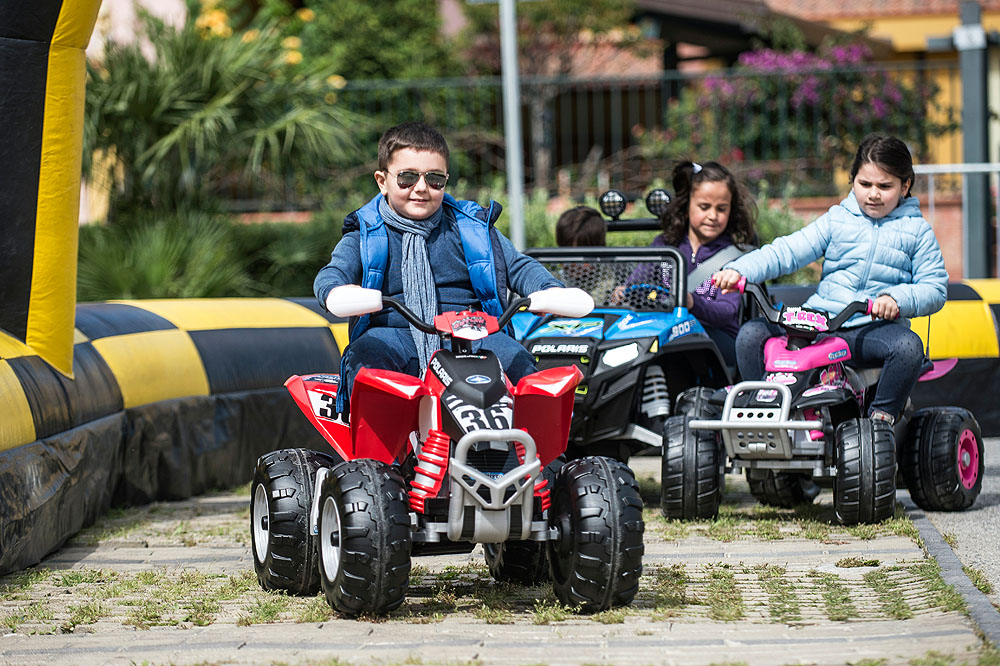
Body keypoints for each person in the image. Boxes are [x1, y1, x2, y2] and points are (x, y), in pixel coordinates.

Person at [314, 121, 565, 414]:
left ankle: (537, 454)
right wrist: (335, 291)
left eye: (434, 179)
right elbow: (333, 273)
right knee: (366, 360)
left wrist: (549, 289)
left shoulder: (471, 229)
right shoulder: (365, 234)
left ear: (446, 180)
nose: (421, 188)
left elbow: (519, 266)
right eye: (407, 177)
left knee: (521, 365)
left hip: (473, 334)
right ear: (382, 181)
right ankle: (376, 456)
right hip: (394, 332)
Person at [714, 133, 948, 425]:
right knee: (751, 335)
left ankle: (880, 421)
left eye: (884, 186)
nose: (873, 194)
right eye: (865, 184)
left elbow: (934, 288)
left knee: (908, 348)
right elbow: (786, 251)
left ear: (905, 185)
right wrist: (740, 270)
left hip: (871, 330)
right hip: (822, 322)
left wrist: (894, 301)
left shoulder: (917, 231)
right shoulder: (837, 220)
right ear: (852, 181)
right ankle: (760, 409)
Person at [615, 160, 757, 367]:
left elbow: (727, 312)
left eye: (721, 209)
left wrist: (691, 303)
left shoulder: (733, 256)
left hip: (716, 339)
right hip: (667, 332)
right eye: (704, 207)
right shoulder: (665, 246)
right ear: (687, 205)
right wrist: (623, 292)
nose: (712, 216)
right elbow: (636, 282)